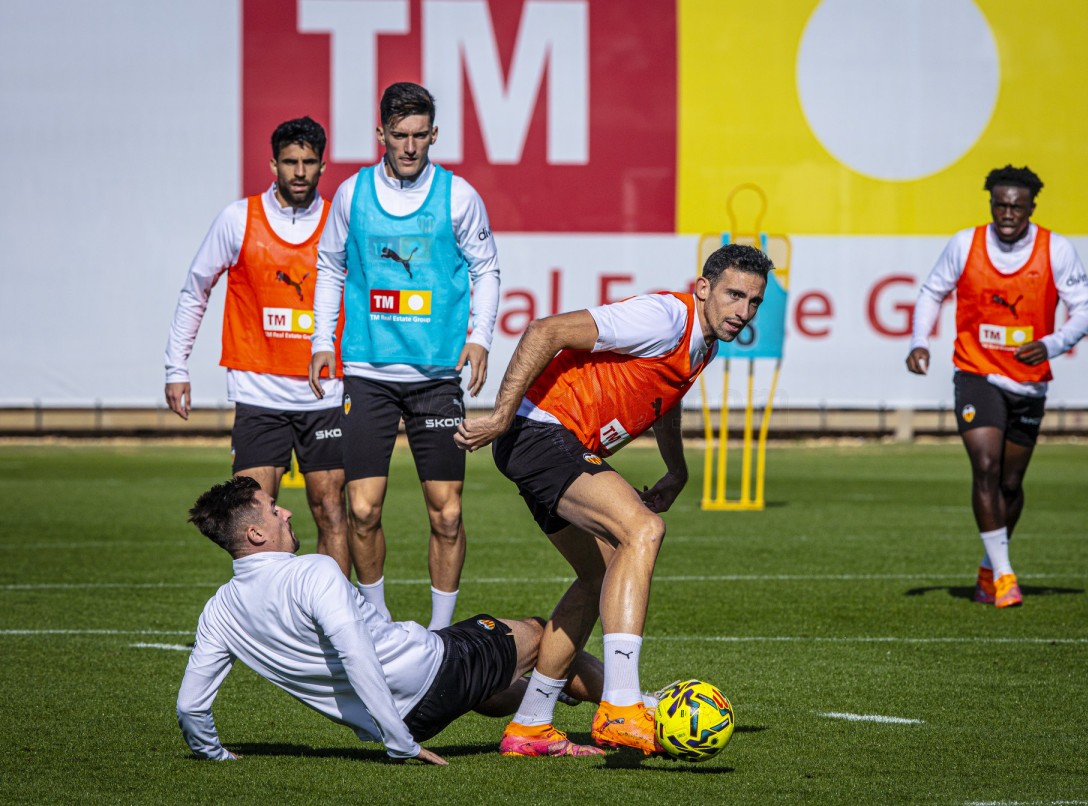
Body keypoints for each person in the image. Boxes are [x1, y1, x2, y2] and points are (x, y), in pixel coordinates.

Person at [454, 243, 772, 756]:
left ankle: (531, 723)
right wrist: (500, 416)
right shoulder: (664, 317)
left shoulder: (704, 344)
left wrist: (677, 469)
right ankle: (622, 706)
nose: (744, 310)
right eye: (734, 295)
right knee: (643, 529)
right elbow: (545, 331)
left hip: (548, 442)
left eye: (754, 302)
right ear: (703, 288)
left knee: (598, 575)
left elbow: (664, 399)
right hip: (541, 432)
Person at [177, 476, 603, 763]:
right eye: (273, 510)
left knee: (489, 688)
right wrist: (401, 742)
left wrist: (214, 753)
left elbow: (190, 706)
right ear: (255, 534)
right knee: (540, 633)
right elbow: (356, 653)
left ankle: (546, 697)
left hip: (408, 717)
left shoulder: (219, 610)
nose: (285, 512)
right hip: (432, 673)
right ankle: (628, 708)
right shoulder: (312, 571)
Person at [309, 82, 499, 628]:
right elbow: (330, 267)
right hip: (367, 372)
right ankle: (376, 623)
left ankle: (441, 635)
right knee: (362, 510)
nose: (410, 146)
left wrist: (481, 336)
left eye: (419, 135)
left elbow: (487, 268)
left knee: (448, 513)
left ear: (434, 134)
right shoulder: (352, 194)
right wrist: (322, 342)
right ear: (381, 134)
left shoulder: (459, 197)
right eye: (399, 135)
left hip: (436, 376)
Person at [905, 165, 1088, 608]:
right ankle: (1007, 577)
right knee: (986, 466)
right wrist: (919, 341)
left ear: (1031, 206)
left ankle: (988, 569)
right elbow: (931, 292)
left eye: (1017, 206)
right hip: (976, 371)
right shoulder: (965, 244)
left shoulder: (1056, 249)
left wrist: (1051, 344)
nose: (1008, 213)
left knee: (1010, 484)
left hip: (1028, 382)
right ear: (991, 204)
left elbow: (1085, 310)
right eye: (1000, 205)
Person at [164, 117, 350, 575]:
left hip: (324, 392)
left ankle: (336, 613)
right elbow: (196, 289)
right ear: (273, 164)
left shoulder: (338, 222)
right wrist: (176, 367)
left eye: (309, 162)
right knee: (253, 519)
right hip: (258, 391)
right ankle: (266, 614)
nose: (300, 172)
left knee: (331, 511)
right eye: (290, 161)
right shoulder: (237, 219)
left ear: (323, 166)